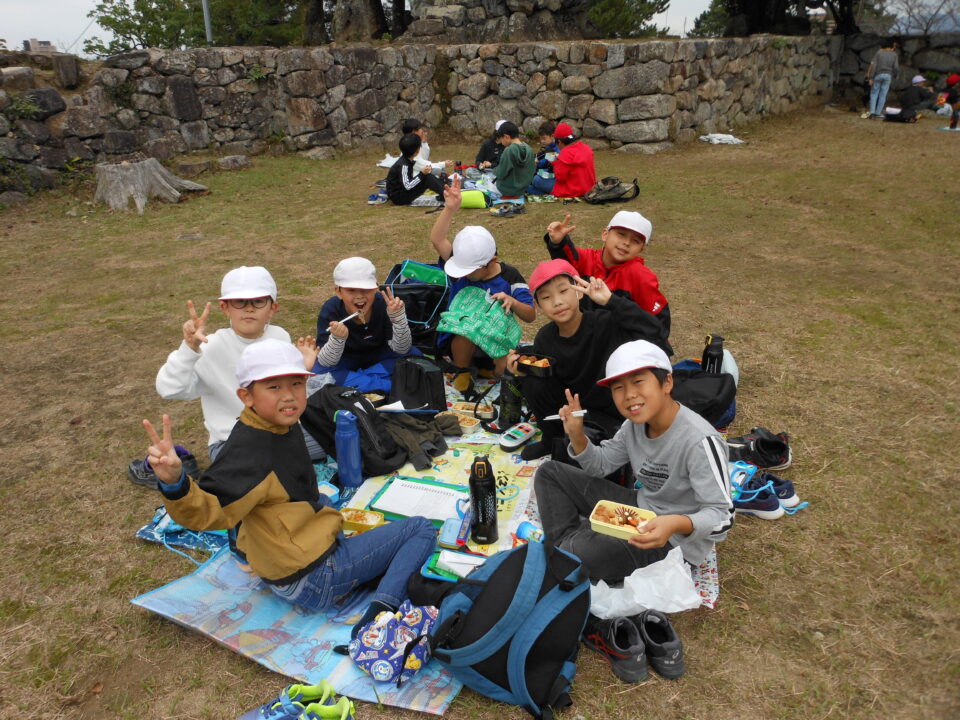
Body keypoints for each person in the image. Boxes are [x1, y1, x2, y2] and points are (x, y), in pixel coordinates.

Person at [142, 339, 437, 637]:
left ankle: (364, 571)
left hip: (287, 564)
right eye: (273, 387)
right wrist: (175, 482)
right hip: (313, 578)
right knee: (421, 529)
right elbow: (207, 510)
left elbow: (292, 398)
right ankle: (380, 612)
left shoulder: (270, 421)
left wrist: (301, 370)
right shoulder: (250, 454)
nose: (289, 396)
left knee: (323, 501)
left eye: (296, 384)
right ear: (246, 396)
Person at [534, 339, 733, 584]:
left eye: (639, 381)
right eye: (618, 388)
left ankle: (568, 550)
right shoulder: (633, 426)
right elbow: (601, 465)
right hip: (639, 510)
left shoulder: (700, 441)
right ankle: (569, 550)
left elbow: (724, 517)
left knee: (573, 553)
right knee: (550, 472)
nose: (629, 395)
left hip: (672, 542)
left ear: (667, 383)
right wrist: (576, 435)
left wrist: (675, 524)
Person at [506, 259, 672, 461]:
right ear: (538, 306)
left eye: (563, 291)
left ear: (579, 291)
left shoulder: (606, 323)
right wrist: (523, 371)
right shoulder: (545, 338)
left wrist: (611, 301)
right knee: (533, 383)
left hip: (610, 409)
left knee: (598, 453)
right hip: (571, 408)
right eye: (546, 297)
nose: (557, 302)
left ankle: (590, 438)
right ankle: (552, 439)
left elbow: (655, 331)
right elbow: (548, 382)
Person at [152, 265, 316, 464]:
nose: (249, 308)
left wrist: (301, 369)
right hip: (230, 440)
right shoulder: (210, 346)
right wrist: (189, 348)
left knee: (335, 440)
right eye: (239, 301)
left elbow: (284, 390)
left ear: (272, 308)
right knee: (266, 468)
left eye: (258, 301)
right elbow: (169, 389)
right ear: (225, 308)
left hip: (280, 431)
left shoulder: (279, 336)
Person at [430, 175, 535, 390]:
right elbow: (437, 239)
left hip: (495, 343)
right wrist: (449, 209)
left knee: (509, 368)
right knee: (466, 332)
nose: (465, 274)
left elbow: (530, 315)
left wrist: (513, 302)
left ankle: (489, 370)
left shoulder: (510, 276)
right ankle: (463, 372)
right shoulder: (462, 269)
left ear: (492, 261)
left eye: (470, 271)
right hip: (461, 343)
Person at [544, 211, 671, 340]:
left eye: (635, 241)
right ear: (605, 235)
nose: (627, 243)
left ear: (641, 249)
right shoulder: (587, 259)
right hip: (585, 338)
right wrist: (558, 242)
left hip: (622, 343)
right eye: (621, 234)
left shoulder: (641, 276)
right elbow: (566, 260)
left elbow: (659, 323)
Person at [313, 256, 418, 389]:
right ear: (339, 292)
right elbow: (326, 362)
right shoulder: (331, 309)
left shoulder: (384, 305)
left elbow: (402, 349)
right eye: (351, 290)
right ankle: (387, 385)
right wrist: (337, 339)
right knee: (320, 371)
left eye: (366, 289)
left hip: (380, 356)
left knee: (414, 356)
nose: (359, 296)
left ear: (375, 288)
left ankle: (360, 381)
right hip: (346, 359)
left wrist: (398, 319)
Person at [386, 133, 446, 206]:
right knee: (427, 178)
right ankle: (446, 194)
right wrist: (421, 174)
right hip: (399, 198)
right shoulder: (403, 165)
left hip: (401, 192)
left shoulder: (407, 159)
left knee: (427, 177)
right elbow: (408, 186)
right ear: (417, 150)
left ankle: (445, 193)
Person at [550, 122, 596, 198]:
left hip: (573, 189)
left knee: (537, 180)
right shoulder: (586, 148)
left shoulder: (565, 153)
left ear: (560, 142)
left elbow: (560, 178)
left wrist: (555, 163)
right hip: (589, 187)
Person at [492, 121, 536, 199]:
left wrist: (494, 170)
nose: (501, 142)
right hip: (523, 188)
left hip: (507, 189)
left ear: (506, 137)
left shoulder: (509, 150)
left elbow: (501, 173)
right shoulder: (529, 149)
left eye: (501, 139)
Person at [864, 40, 899, 119]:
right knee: (883, 95)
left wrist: (871, 77)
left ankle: (872, 113)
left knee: (874, 93)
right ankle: (878, 113)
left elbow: (874, 66)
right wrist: (896, 75)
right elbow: (896, 67)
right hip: (888, 76)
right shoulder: (894, 55)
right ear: (891, 46)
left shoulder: (879, 53)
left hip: (878, 75)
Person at [527, 121, 559, 196]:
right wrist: (537, 161)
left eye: (544, 139)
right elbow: (544, 159)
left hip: (553, 176)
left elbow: (547, 162)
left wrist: (538, 162)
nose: (542, 141)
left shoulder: (556, 148)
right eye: (541, 139)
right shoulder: (549, 146)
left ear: (552, 136)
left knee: (534, 180)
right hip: (547, 173)